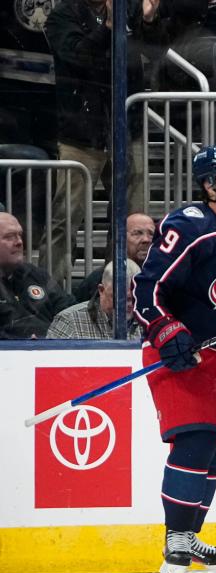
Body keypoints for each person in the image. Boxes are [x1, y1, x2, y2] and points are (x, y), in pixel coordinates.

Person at [132, 143, 216, 573]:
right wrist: (166, 330)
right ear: (209, 186)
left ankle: (189, 537)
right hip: (180, 355)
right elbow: (147, 288)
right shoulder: (188, 225)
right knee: (196, 438)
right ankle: (174, 540)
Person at [42, 0, 163, 285]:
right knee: (66, 218)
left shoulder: (129, 8)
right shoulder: (63, 15)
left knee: (133, 219)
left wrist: (149, 22)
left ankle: (126, 289)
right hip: (81, 133)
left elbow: (156, 52)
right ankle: (51, 292)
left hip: (127, 129)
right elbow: (81, 58)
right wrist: (109, 26)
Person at [0, 212, 75, 339]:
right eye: (9, 237)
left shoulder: (37, 275)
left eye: (20, 235)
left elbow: (69, 311)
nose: (19, 242)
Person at [47, 259, 142, 339]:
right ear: (101, 290)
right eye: (120, 298)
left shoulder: (150, 319)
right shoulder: (69, 321)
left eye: (134, 298)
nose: (128, 304)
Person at [72, 213, 156, 302]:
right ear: (121, 239)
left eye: (151, 234)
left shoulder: (166, 276)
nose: (146, 239)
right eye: (137, 233)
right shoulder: (99, 278)